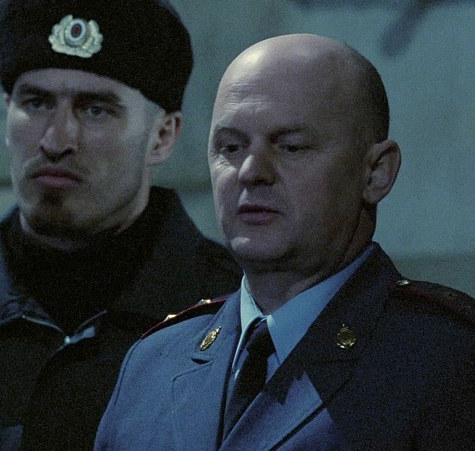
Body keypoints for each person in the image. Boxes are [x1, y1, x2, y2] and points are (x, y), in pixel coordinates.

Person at [0, 0, 241, 449]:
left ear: (162, 136)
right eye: (36, 103)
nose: (56, 141)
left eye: (96, 110)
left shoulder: (242, 325)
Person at [95, 33, 475, 450]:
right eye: (231, 147)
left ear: (375, 173)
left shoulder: (449, 360)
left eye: (291, 147)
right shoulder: (153, 364)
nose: (251, 171)